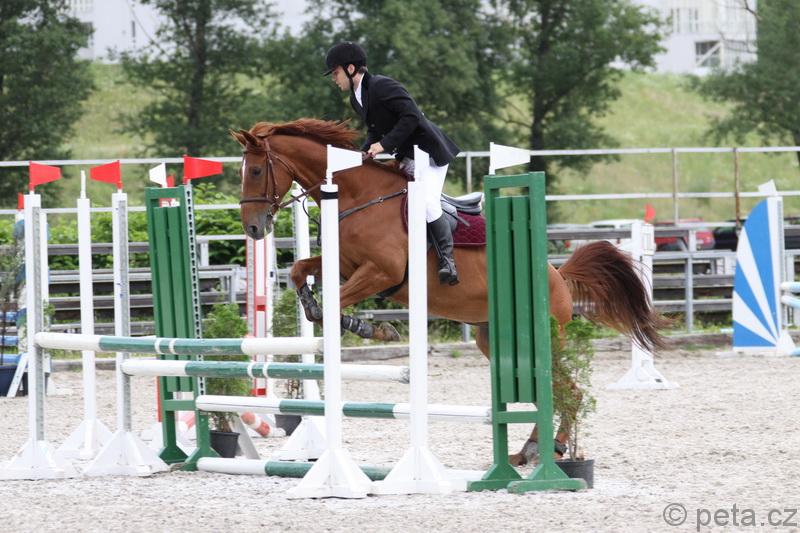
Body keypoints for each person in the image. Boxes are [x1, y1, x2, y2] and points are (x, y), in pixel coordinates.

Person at [323, 41, 461, 285]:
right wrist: (364, 152)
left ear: (351, 69)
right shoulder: (357, 98)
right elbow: (374, 130)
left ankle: (448, 261)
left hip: (429, 153)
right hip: (408, 156)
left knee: (427, 203)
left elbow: (411, 116)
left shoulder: (382, 86)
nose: (334, 79)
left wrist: (384, 145)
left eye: (335, 73)